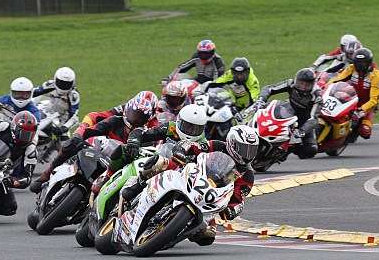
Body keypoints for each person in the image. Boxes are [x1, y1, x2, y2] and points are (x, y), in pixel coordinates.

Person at [120, 124, 259, 246]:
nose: (247, 154)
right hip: (189, 173)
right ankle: (135, 187)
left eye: (251, 150)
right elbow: (193, 146)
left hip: (209, 197)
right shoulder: (218, 146)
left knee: (207, 236)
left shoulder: (246, 174)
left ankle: (171, 235)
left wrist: (232, 210)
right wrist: (181, 151)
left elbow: (238, 200)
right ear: (232, 143)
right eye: (244, 149)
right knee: (159, 163)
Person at [30, 91, 159, 194]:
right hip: (106, 144)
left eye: (141, 117)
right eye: (134, 114)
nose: (135, 119)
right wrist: (81, 130)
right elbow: (96, 116)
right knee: (72, 144)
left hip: (124, 158)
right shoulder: (122, 112)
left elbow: (157, 148)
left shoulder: (154, 126)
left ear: (151, 115)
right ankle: (46, 174)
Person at [245, 68, 323, 159]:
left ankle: (287, 149)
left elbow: (314, 119)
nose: (303, 87)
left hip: (304, 121)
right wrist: (261, 99)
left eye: (306, 85)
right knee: (261, 111)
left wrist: (302, 131)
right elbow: (269, 88)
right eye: (301, 83)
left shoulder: (317, 97)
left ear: (312, 84)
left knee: (311, 149)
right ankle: (249, 132)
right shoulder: (291, 83)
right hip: (288, 111)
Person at [326, 47, 379, 142]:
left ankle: (356, 131)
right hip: (352, 100)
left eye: (362, 62)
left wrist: (362, 110)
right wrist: (326, 87)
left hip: (368, 106)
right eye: (357, 62)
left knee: (365, 132)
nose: (359, 65)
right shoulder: (351, 68)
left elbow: (374, 100)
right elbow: (337, 79)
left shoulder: (375, 76)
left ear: (369, 62)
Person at [32, 67, 80, 137]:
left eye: (66, 84)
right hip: (48, 114)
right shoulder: (50, 85)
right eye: (61, 82)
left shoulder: (73, 96)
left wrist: (64, 128)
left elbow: (74, 116)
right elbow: (35, 92)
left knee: (64, 143)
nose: (63, 86)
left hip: (62, 121)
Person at [161, 40, 226, 85]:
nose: (203, 56)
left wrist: (208, 88)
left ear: (212, 53)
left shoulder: (218, 62)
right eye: (202, 54)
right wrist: (170, 78)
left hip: (212, 86)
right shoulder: (196, 57)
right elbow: (183, 66)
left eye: (206, 54)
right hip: (199, 81)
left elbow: (217, 81)